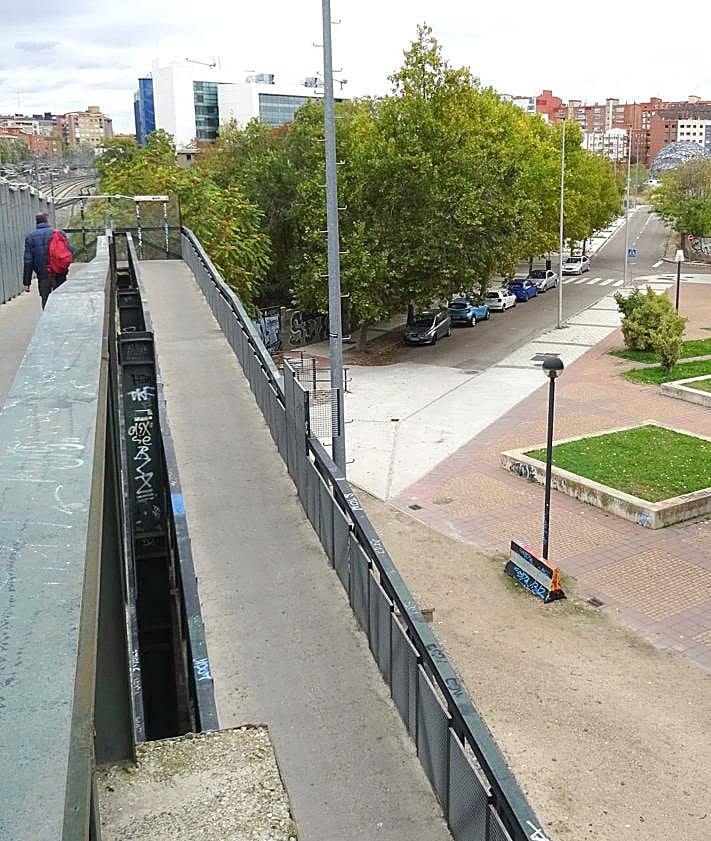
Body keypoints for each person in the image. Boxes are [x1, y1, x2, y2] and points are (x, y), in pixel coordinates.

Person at [23, 213, 74, 309]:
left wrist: (27, 282)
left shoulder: (30, 237)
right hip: (59, 272)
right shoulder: (59, 233)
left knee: (45, 300)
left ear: (36, 222)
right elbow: (70, 250)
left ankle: (48, 322)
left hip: (43, 276)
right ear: (47, 221)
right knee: (61, 299)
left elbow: (28, 261)